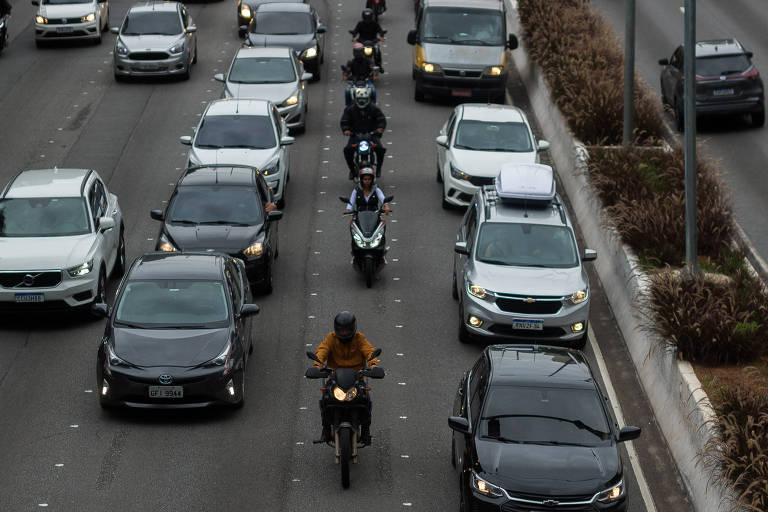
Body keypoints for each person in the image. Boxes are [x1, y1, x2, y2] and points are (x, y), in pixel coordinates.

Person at [315, 311, 379, 445]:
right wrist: (317, 366)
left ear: (353, 328)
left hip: (356, 378)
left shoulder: (359, 338)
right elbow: (322, 351)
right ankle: (326, 429)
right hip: (335, 377)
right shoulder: (331, 338)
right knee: (325, 399)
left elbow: (369, 351)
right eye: (341, 330)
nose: (344, 333)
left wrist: (373, 365)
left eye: (347, 330)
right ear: (336, 329)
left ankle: (366, 430)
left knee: (365, 399)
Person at [340, 87, 386, 179]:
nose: (362, 101)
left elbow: (381, 119)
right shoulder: (350, 109)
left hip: (371, 134)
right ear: (356, 99)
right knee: (348, 150)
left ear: (368, 99)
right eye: (360, 99)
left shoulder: (374, 108)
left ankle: (379, 168)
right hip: (356, 135)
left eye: (364, 99)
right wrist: (346, 130)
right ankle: (352, 170)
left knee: (380, 149)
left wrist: (380, 128)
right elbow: (345, 120)